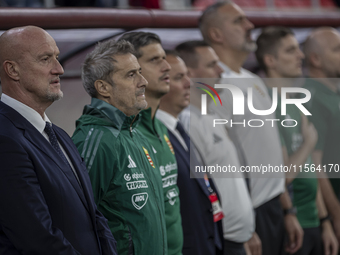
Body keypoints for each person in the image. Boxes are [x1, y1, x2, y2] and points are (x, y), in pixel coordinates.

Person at [0, 25, 117, 254]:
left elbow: (94, 216)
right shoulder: (5, 138)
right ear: (12, 70)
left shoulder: (58, 134)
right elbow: (37, 237)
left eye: (57, 58)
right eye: (45, 59)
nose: (60, 69)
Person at [199, 2, 303, 255]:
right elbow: (218, 165)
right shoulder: (213, 86)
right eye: (238, 21)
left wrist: (287, 209)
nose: (250, 25)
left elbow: (271, 155)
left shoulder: (253, 79)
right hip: (249, 214)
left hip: (274, 207)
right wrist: (243, 226)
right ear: (216, 34)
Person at [71, 39, 167, 255]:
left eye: (140, 72)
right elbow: (76, 224)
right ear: (103, 87)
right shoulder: (94, 141)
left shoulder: (135, 133)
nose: (143, 82)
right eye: (131, 75)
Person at [256, 26, 338, 255]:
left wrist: (324, 221)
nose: (300, 56)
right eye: (291, 51)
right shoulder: (263, 105)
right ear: (270, 60)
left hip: (312, 219)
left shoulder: (293, 101)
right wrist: (309, 143)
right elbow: (279, 176)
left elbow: (311, 166)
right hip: (291, 223)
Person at [176, 40, 255, 255]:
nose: (221, 70)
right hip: (220, 241)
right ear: (190, 74)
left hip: (236, 239)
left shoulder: (210, 116)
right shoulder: (187, 123)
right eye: (212, 65)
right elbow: (197, 192)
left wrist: (248, 232)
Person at [119, 32, 183, 255]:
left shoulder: (162, 128)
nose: (167, 67)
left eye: (164, 58)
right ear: (133, 70)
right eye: (155, 60)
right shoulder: (126, 134)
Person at [157, 50, 224, 255]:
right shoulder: (155, 136)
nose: (189, 83)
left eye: (187, 75)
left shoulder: (179, 128)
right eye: (178, 78)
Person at [303, 27, 340, 250]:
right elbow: (315, 165)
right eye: (337, 50)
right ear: (315, 59)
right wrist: (335, 215)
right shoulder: (312, 97)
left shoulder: (333, 92)